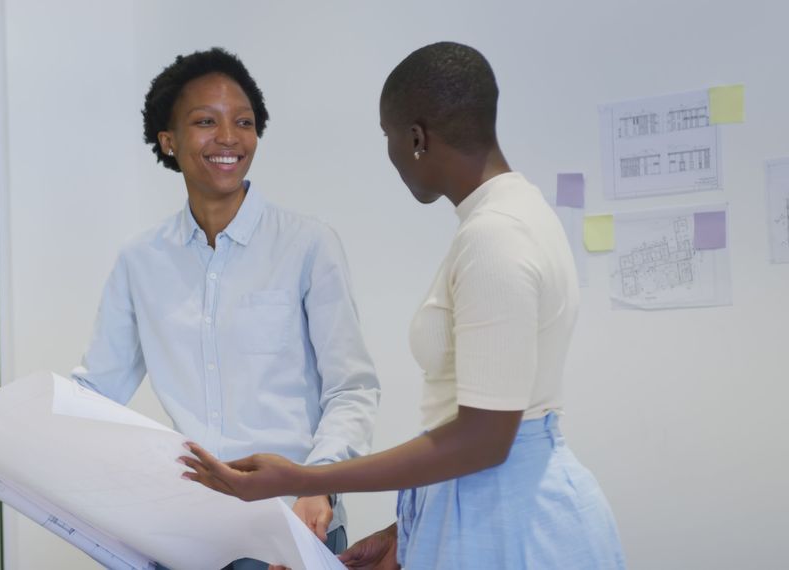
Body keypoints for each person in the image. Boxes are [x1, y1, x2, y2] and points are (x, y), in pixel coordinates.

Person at [0, 47, 381, 569]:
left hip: (294, 522)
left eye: (243, 122)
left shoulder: (309, 245)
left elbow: (351, 388)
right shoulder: (141, 260)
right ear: (168, 141)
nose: (228, 138)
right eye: (205, 121)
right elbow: (91, 395)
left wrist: (321, 484)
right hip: (190, 533)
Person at [182, 42, 626, 569]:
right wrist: (407, 531)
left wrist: (304, 478)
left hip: (516, 526)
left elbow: (484, 440)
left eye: (388, 137)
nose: (391, 153)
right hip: (485, 505)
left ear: (416, 138)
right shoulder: (511, 213)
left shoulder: (495, 238)